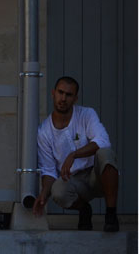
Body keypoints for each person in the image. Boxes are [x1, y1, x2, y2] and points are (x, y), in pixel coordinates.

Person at [33, 76, 119, 232]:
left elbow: (103, 141)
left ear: (75, 98)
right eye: (60, 92)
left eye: (68, 94)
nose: (63, 98)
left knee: (105, 153)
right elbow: (49, 171)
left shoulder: (86, 114)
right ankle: (84, 209)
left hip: (96, 176)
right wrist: (43, 195)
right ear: (53, 93)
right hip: (74, 182)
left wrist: (74, 155)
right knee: (57, 190)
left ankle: (111, 215)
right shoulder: (44, 131)